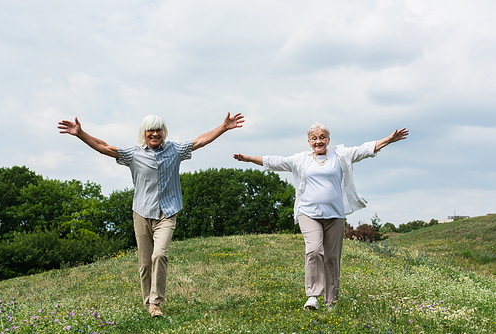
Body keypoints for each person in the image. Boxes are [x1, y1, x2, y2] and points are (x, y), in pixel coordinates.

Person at [58, 112, 244, 317]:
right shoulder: (133, 154)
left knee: (160, 254)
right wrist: (80, 133)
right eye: (151, 130)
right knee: (145, 263)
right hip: (141, 212)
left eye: (158, 130)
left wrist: (223, 127)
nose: (155, 134)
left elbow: (200, 141)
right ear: (144, 133)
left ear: (163, 132)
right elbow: (104, 147)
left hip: (167, 212)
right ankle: (148, 303)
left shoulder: (175, 150)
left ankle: (156, 302)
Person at [233, 123, 408, 311]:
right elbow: (275, 161)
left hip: (335, 215)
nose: (319, 141)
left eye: (322, 137)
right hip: (308, 214)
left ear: (328, 140)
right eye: (314, 138)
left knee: (332, 257)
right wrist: (248, 158)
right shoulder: (301, 160)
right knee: (314, 250)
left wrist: (389, 139)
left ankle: (331, 300)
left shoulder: (340, 155)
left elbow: (365, 149)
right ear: (309, 142)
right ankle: (313, 296)